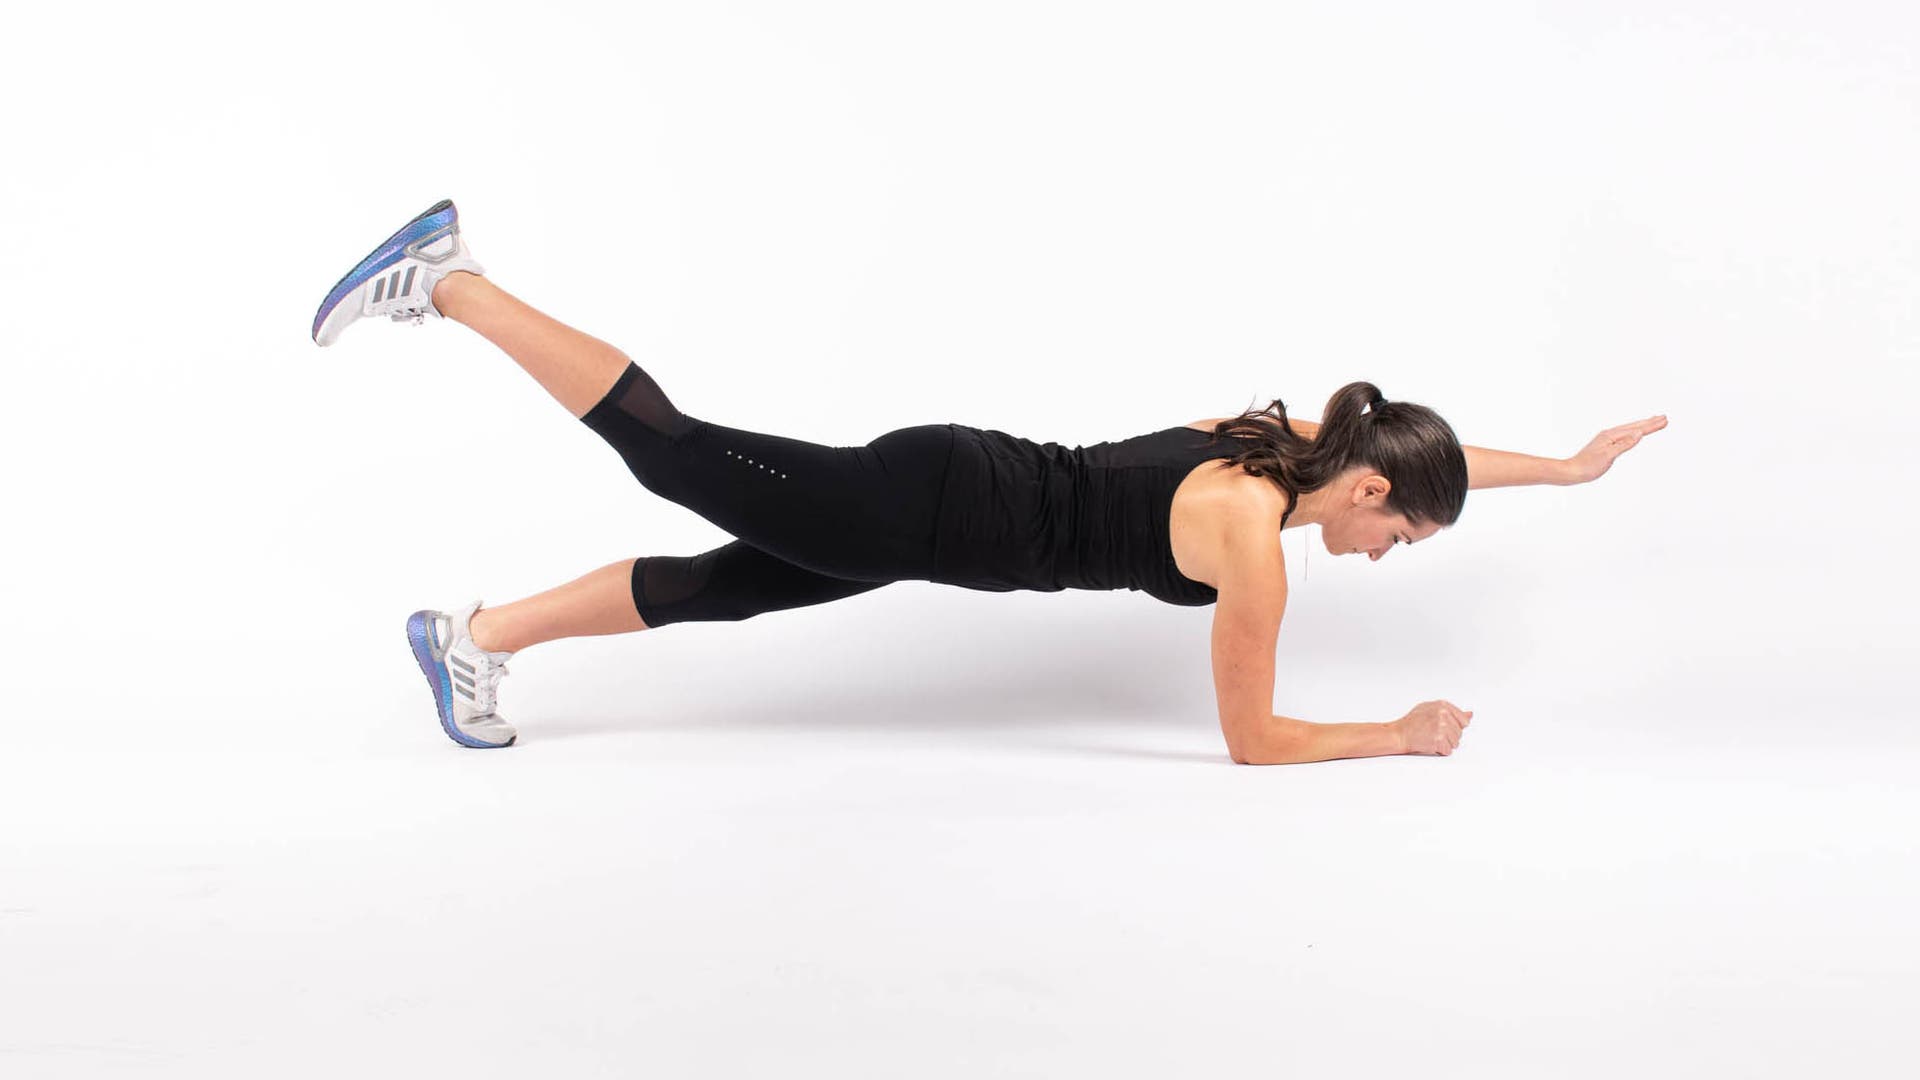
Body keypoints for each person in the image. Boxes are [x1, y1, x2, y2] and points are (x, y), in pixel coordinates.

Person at [312, 201, 1667, 762]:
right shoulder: (1254, 539)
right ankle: (456, 281)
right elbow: (1255, 744)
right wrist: (1401, 735)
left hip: (938, 494)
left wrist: (1561, 470)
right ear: (1370, 498)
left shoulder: (1284, 439)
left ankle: (471, 644)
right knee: (669, 446)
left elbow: (1435, 461)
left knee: (719, 591)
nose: (1391, 554)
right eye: (1406, 538)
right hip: (930, 509)